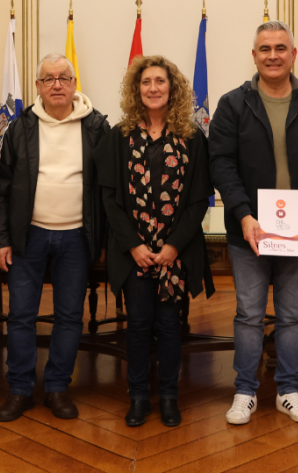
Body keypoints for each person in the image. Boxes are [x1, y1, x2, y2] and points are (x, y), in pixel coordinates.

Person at [209, 20, 298, 425]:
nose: (273, 55)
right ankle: (245, 391)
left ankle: (288, 389)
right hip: (249, 230)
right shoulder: (232, 103)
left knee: (291, 315)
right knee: (249, 314)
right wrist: (244, 215)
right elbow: (221, 163)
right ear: (254, 55)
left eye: (280, 48)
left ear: (292, 55)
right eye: (264, 48)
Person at [95, 55, 215, 427]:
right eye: (146, 82)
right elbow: (110, 198)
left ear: (172, 88)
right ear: (136, 90)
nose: (153, 88)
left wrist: (173, 246)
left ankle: (168, 397)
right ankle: (138, 397)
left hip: (174, 253)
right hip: (134, 253)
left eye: (160, 82)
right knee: (138, 324)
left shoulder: (192, 138)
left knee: (169, 326)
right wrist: (134, 245)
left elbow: (198, 199)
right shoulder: (119, 136)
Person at [0, 53, 109, 422]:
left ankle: (58, 387)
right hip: (29, 237)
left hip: (77, 237)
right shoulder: (21, 128)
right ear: (38, 86)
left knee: (69, 316)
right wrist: (2, 238)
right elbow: (0, 188)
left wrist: (103, 239)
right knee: (21, 316)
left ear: (75, 84)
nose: (56, 84)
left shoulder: (97, 127)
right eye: (48, 79)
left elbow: (109, 189)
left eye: (64, 77)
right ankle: (21, 390)